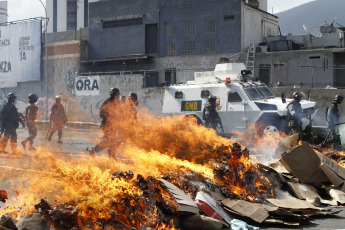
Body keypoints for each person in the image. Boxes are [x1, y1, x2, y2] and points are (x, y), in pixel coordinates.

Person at [87, 88, 121, 158]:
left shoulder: (116, 104)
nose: (118, 97)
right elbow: (101, 113)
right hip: (106, 126)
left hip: (113, 126)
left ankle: (111, 157)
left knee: (111, 142)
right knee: (108, 141)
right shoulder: (107, 102)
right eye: (117, 95)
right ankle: (93, 150)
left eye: (118, 95)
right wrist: (108, 117)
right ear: (113, 95)